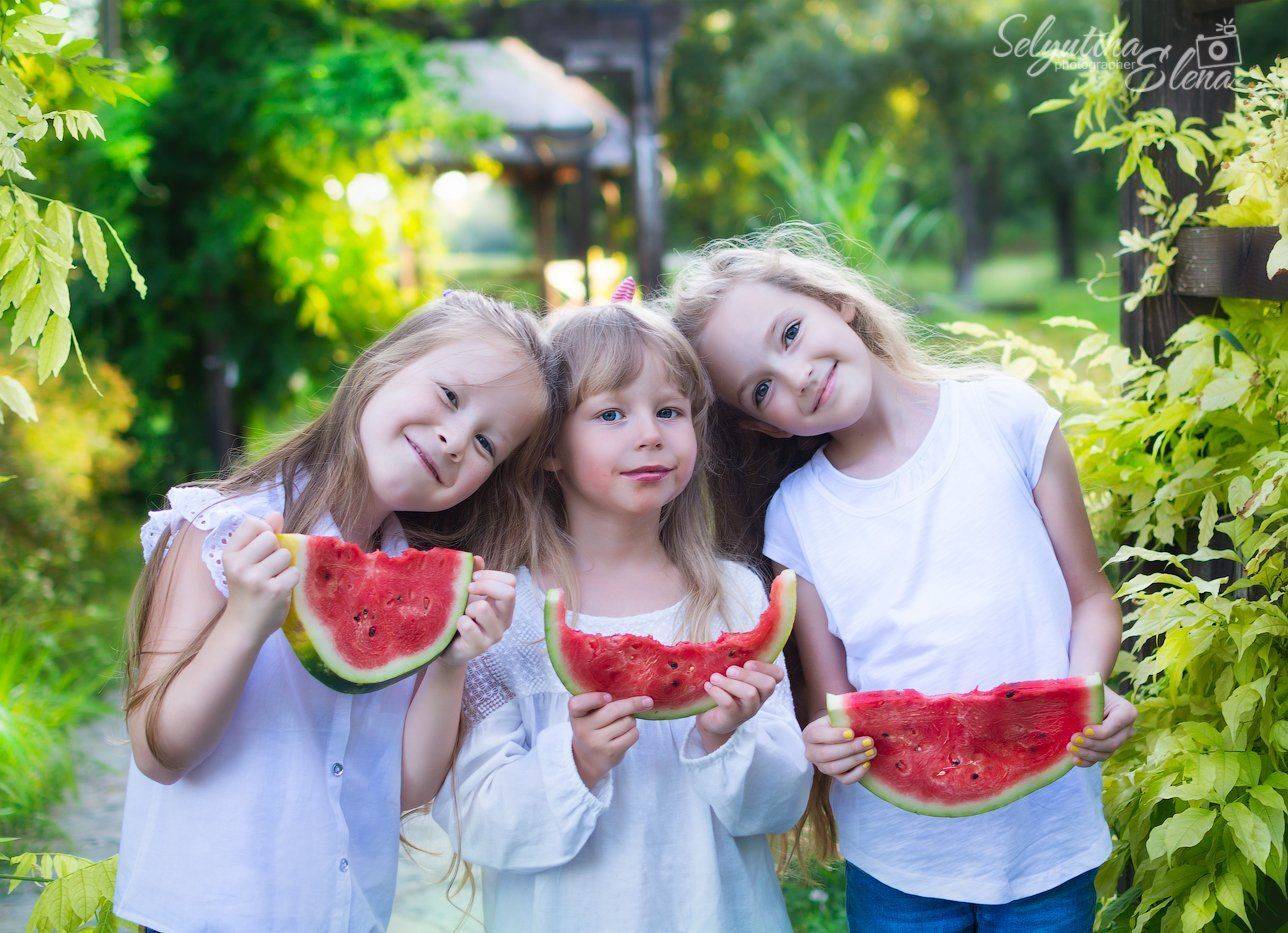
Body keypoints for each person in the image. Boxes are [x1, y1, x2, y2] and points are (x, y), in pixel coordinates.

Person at [668, 224, 1138, 930]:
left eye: (790, 332)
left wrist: (1084, 695)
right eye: (762, 386)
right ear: (762, 426)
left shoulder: (1003, 415)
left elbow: (1092, 599)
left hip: (1048, 838)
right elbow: (835, 704)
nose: (796, 375)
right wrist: (823, 740)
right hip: (899, 859)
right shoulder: (797, 514)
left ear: (837, 301)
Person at [114, 291, 555, 932]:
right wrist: (244, 623)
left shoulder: (424, 577)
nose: (455, 439)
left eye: (488, 443)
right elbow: (160, 754)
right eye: (450, 397)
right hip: (204, 916)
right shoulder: (222, 528)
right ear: (382, 366)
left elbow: (407, 790)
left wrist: (453, 661)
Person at [432, 300, 812, 932]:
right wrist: (574, 761)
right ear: (549, 449)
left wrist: (724, 737)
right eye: (611, 413)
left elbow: (779, 807)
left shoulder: (736, 598)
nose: (650, 434)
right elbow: (473, 819)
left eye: (670, 411)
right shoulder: (506, 615)